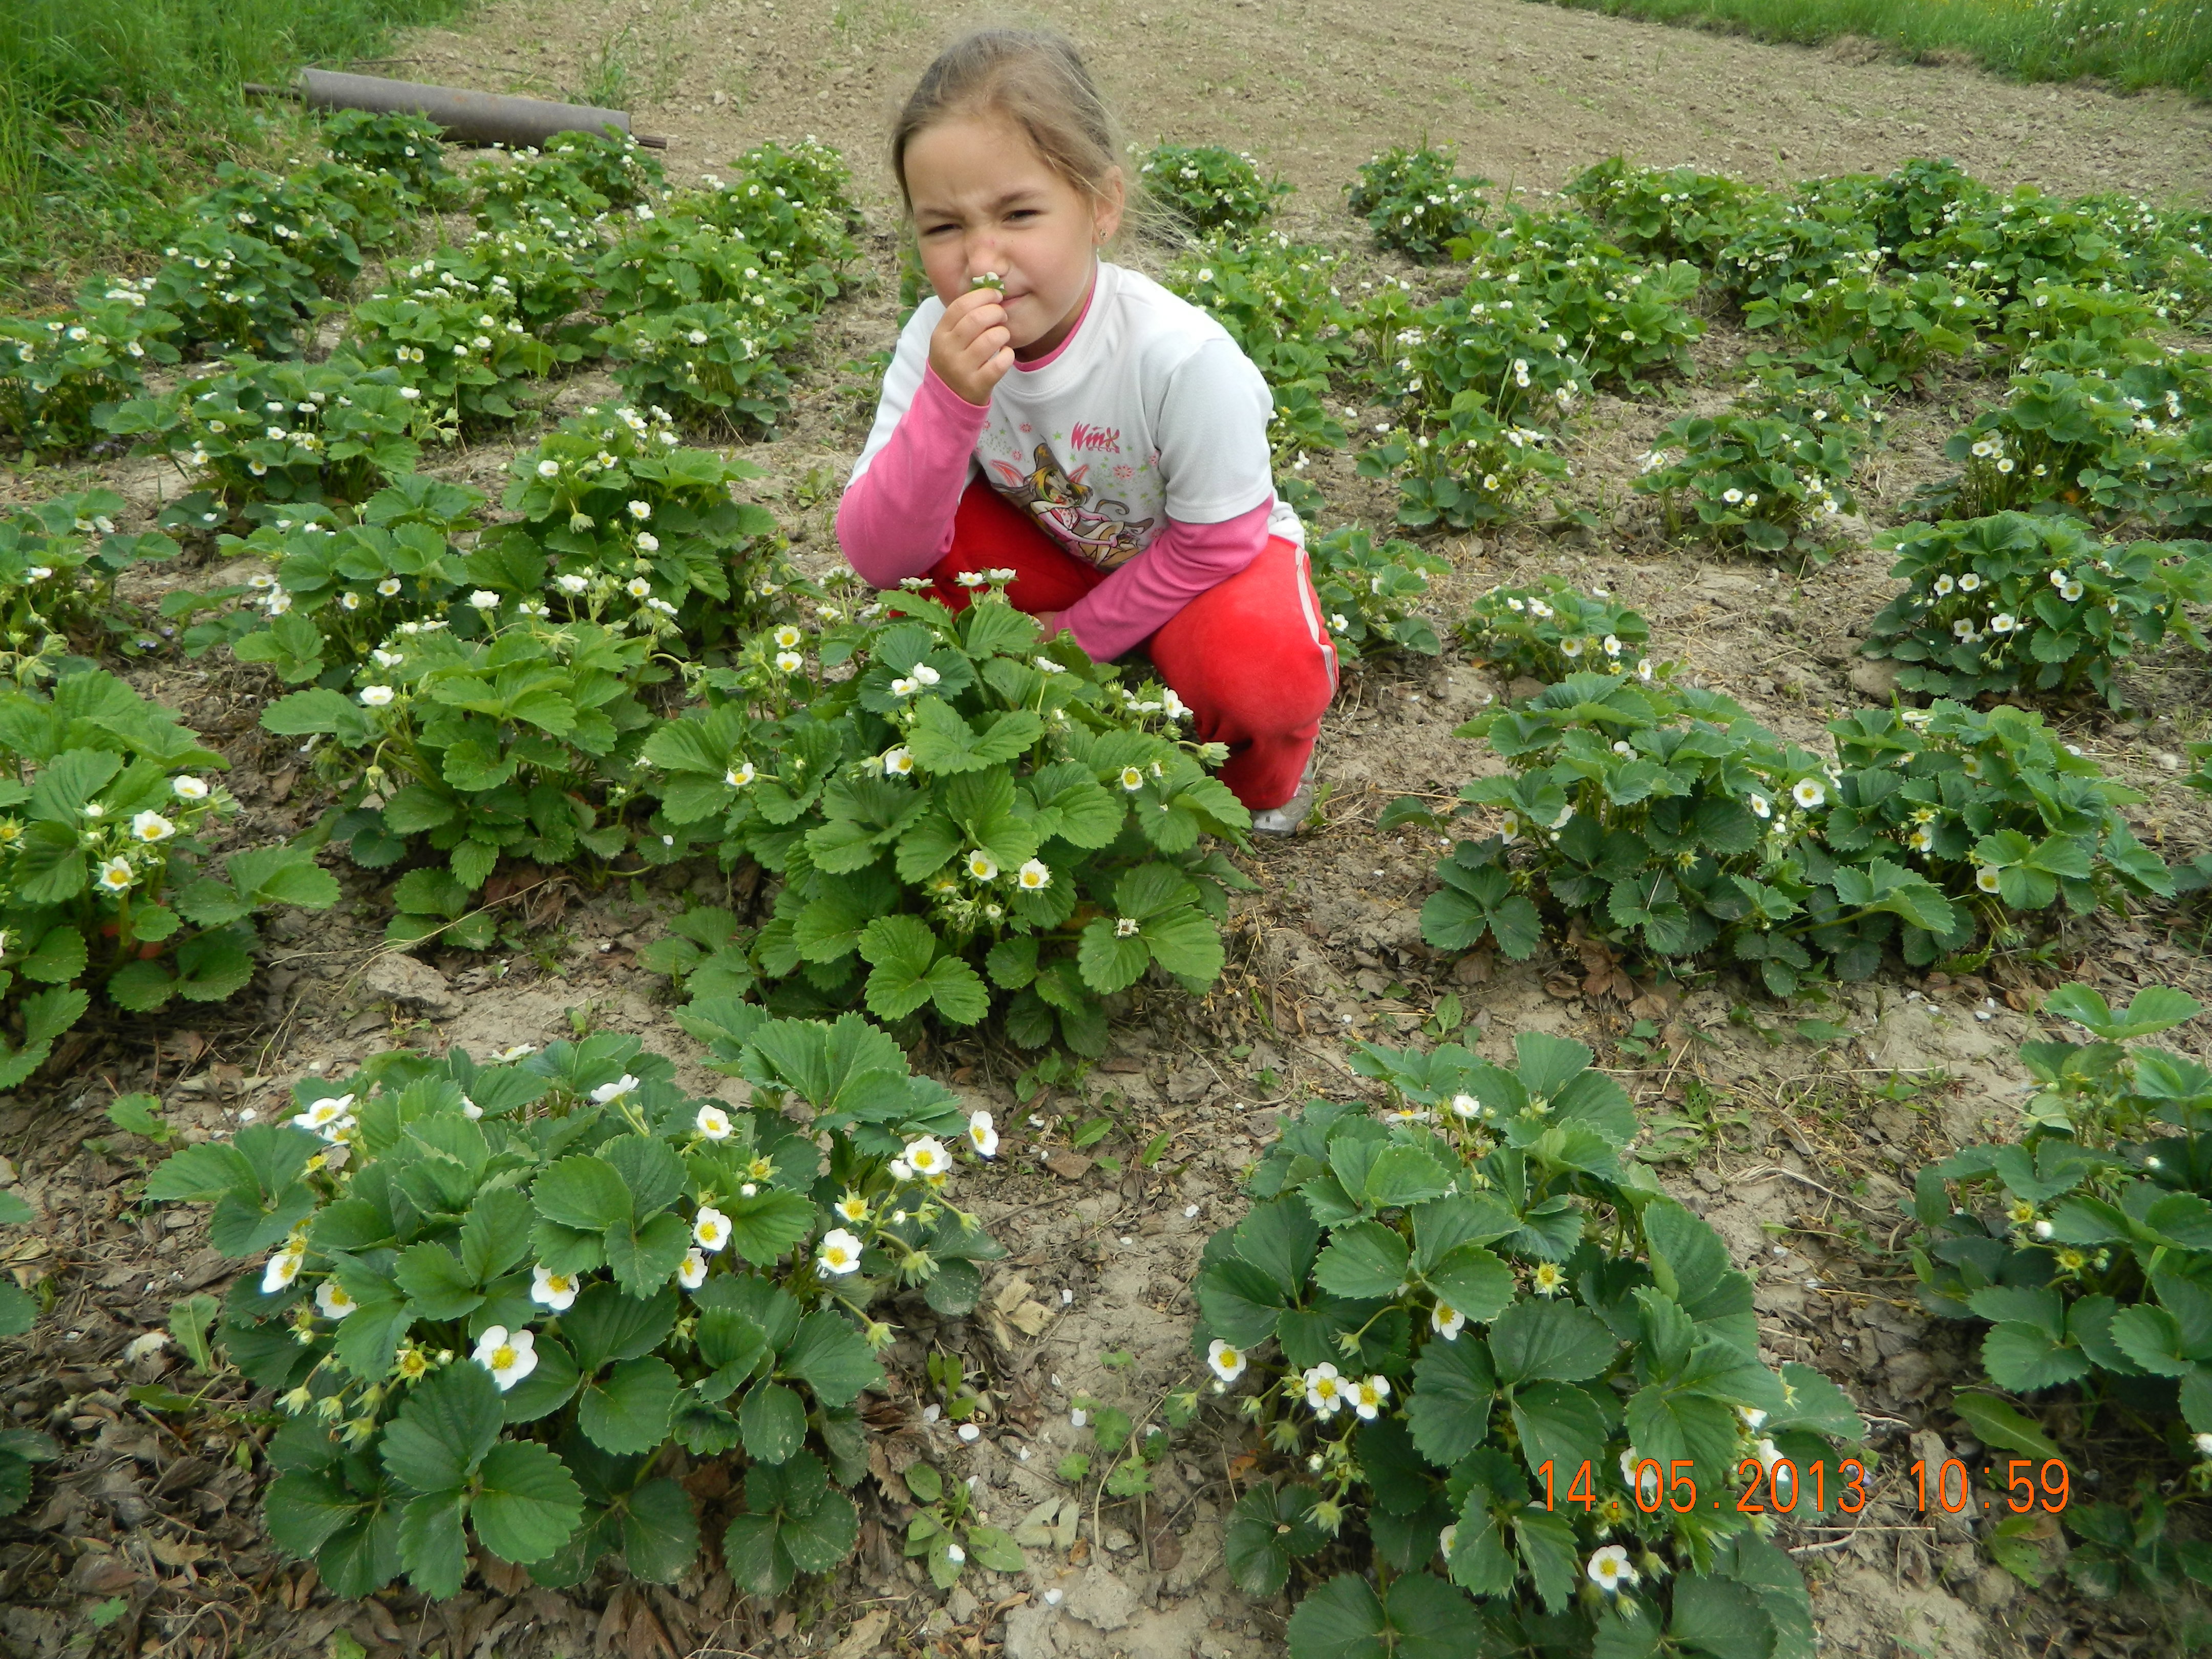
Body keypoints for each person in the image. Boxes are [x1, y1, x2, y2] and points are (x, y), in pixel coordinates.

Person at [835, 28, 1335, 833]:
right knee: (920, 555)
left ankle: (1260, 790)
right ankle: (990, 722)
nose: (982, 259)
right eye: (943, 227)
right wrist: (949, 403)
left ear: (1102, 206)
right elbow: (878, 556)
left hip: (1201, 571)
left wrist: (1072, 639)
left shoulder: (1179, 357)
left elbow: (1216, 544)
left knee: (1260, 674)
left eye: (1019, 213)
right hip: (1064, 548)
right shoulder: (935, 338)